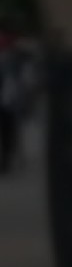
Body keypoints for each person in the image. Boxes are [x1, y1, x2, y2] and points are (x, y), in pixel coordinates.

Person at [0, 34, 22, 175]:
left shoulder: (10, 60)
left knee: (7, 132)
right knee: (7, 132)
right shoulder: (11, 59)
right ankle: (6, 159)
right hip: (7, 101)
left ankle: (6, 160)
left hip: (7, 100)